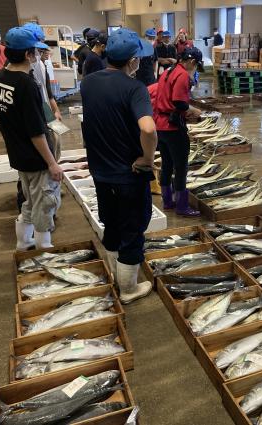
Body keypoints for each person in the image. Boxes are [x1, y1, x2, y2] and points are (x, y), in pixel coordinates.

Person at [80, 28, 157, 304]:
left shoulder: (88, 83)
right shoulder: (134, 88)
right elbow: (148, 129)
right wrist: (147, 159)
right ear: (133, 60)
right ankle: (128, 290)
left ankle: (117, 275)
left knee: (111, 224)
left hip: (100, 172)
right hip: (128, 174)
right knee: (133, 230)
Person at [0, 27, 62, 250]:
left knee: (29, 200)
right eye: (36, 52)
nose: (39, 55)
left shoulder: (0, 78)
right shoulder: (26, 84)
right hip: (35, 156)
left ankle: (24, 242)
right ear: (27, 54)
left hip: (17, 153)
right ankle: (44, 248)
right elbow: (36, 131)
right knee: (44, 202)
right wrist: (52, 163)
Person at [154, 47, 203, 217]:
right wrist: (193, 110)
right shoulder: (182, 74)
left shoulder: (168, 70)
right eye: (196, 65)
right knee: (181, 167)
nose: (195, 68)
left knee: (167, 164)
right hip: (173, 126)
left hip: (160, 124)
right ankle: (182, 206)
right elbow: (179, 103)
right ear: (191, 62)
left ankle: (168, 201)